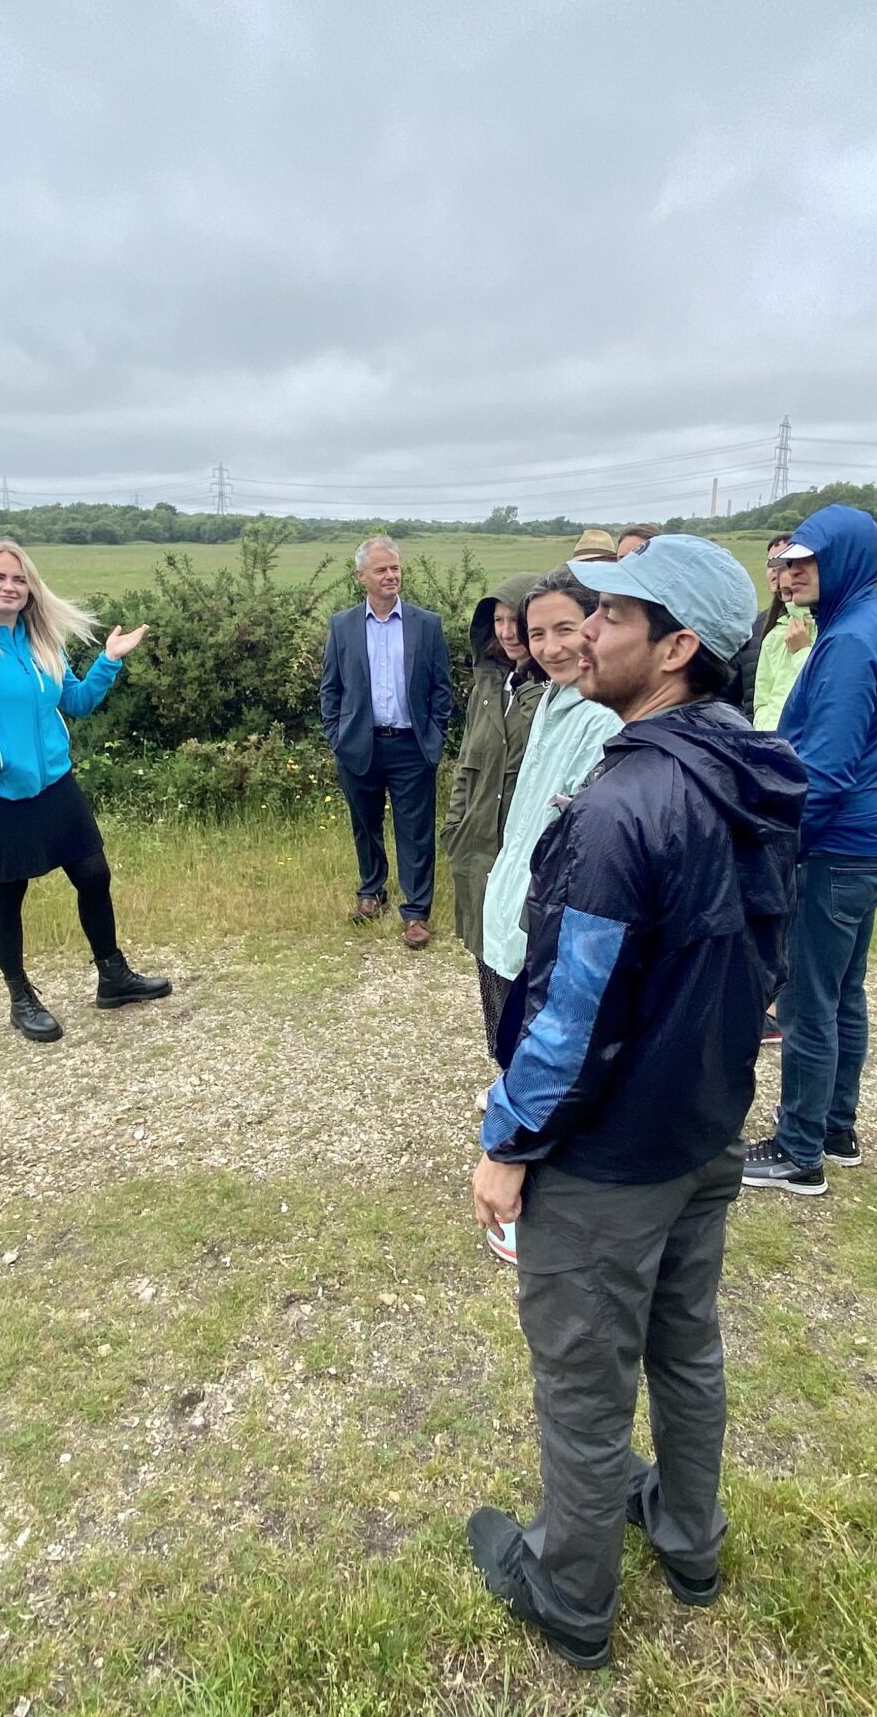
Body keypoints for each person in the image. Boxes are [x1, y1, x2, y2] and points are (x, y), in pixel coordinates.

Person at [464, 535, 805, 1670]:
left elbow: (574, 1009)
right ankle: (689, 1539)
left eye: (610, 616)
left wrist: (509, 1140)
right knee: (685, 1343)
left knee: (581, 1376)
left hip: (610, 1157)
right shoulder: (747, 763)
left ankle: (568, 1594)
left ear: (676, 646)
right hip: (702, 1126)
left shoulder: (625, 805)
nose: (582, 632)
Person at [0, 538, 170, 1042]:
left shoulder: (41, 641)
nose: (10, 586)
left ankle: (113, 976)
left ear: (31, 589)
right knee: (8, 895)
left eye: (19, 579)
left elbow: (74, 702)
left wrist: (109, 661)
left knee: (94, 874)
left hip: (54, 782)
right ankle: (20, 998)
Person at [742, 506, 877, 1194]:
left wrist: (780, 842)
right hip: (867, 840)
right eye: (788, 563)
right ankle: (836, 1126)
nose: (790, 574)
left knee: (810, 1001)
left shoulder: (848, 639)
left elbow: (829, 768)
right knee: (844, 990)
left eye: (806, 563)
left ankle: (799, 1149)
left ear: (845, 560)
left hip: (839, 844)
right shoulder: (867, 622)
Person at [474, 567, 622, 1262]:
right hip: (508, 908)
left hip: (548, 919)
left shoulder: (604, 715)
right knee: (511, 1051)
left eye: (566, 627)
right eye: (538, 633)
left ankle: (528, 1204)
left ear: (597, 624)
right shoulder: (550, 700)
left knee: (544, 1063)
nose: (553, 646)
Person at [319, 537, 454, 949]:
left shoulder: (425, 623)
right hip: (359, 743)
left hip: (412, 744)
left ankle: (416, 913)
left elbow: (441, 689)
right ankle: (371, 892)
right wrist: (336, 737)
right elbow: (331, 688)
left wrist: (434, 736)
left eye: (395, 568)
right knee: (365, 824)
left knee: (415, 831)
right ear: (361, 576)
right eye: (381, 570)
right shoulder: (342, 625)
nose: (391, 575)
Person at [444, 572, 548, 1056]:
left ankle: (532, 1073)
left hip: (526, 851)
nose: (507, 632)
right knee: (488, 957)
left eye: (517, 620)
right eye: (499, 621)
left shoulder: (555, 694)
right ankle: (504, 1065)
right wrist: (454, 828)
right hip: (478, 846)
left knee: (528, 962)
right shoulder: (487, 686)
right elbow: (466, 766)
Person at [752, 532, 817, 732]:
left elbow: (823, 692)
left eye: (795, 590)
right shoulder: (772, 635)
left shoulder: (828, 630)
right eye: (786, 593)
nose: (793, 601)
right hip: (770, 743)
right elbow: (761, 700)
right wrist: (765, 730)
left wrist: (801, 652)